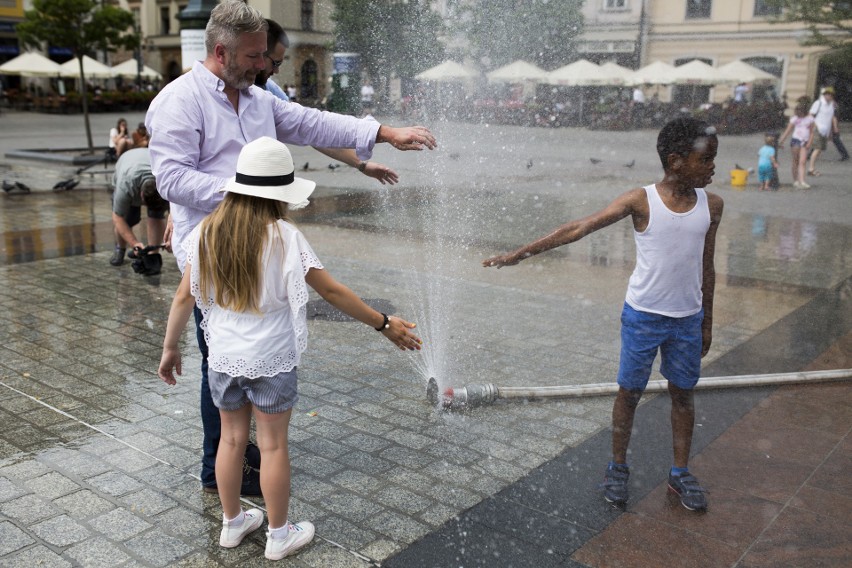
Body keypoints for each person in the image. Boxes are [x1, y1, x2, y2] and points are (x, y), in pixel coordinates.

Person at [146, 0, 435, 496]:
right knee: (221, 355)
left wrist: (384, 133)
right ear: (222, 51)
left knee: (249, 349)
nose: (266, 65)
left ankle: (241, 453)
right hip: (214, 242)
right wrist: (246, 199)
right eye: (257, 56)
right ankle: (219, 462)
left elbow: (312, 124)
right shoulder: (180, 100)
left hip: (259, 233)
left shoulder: (258, 100)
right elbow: (170, 178)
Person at [157, 137, 422, 559]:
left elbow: (183, 297)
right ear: (278, 195)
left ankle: (232, 524)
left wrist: (170, 349)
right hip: (271, 359)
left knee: (230, 440)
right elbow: (332, 292)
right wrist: (384, 324)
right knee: (273, 446)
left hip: (223, 357)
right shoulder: (285, 236)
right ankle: (279, 535)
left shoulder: (208, 231)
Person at [482, 117, 724, 512]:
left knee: (683, 394)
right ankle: (617, 466)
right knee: (629, 392)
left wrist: (707, 322)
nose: (713, 167)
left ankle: (680, 472)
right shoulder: (640, 200)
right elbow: (578, 228)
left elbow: (707, 266)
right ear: (676, 161)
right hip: (643, 317)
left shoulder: (712, 205)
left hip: (687, 319)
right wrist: (519, 254)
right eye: (706, 160)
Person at [254, 18, 399, 185]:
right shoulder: (223, 94)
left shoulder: (269, 90)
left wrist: (361, 164)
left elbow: (312, 129)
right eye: (276, 62)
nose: (277, 70)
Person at [109, 147, 169, 268]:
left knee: (156, 216)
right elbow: (117, 217)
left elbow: (176, 214)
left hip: (146, 162)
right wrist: (134, 243)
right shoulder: (126, 185)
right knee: (128, 219)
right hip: (127, 162)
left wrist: (172, 239)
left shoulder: (165, 180)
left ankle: (152, 254)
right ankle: (120, 249)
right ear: (141, 196)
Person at [778, 101, 814, 189]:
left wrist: (809, 142)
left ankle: (802, 181)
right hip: (796, 140)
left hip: (804, 141)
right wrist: (781, 140)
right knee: (795, 161)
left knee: (803, 161)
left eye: (801, 112)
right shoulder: (794, 119)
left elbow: (812, 132)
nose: (799, 114)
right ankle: (796, 180)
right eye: (798, 112)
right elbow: (788, 130)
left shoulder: (810, 119)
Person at [807, 86, 837, 176]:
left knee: (819, 149)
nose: (828, 96)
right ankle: (811, 169)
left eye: (830, 95)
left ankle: (812, 167)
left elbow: (831, 117)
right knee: (817, 148)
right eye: (827, 94)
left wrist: (832, 130)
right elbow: (810, 114)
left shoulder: (832, 105)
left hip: (825, 130)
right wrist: (815, 125)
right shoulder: (818, 103)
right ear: (824, 95)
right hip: (818, 129)